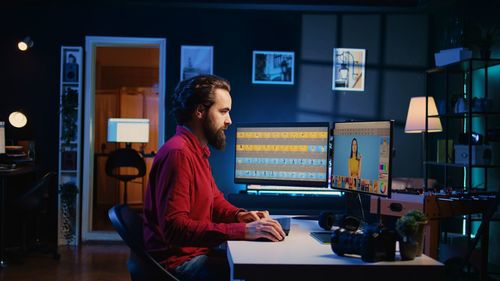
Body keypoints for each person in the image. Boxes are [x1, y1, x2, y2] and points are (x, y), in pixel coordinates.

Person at [143, 75, 285, 281]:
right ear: (200, 111)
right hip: (178, 265)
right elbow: (174, 228)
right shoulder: (178, 154)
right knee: (263, 273)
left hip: (194, 254)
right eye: (223, 111)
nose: (229, 120)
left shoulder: (196, 150)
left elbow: (214, 199)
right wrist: (243, 231)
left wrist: (239, 216)